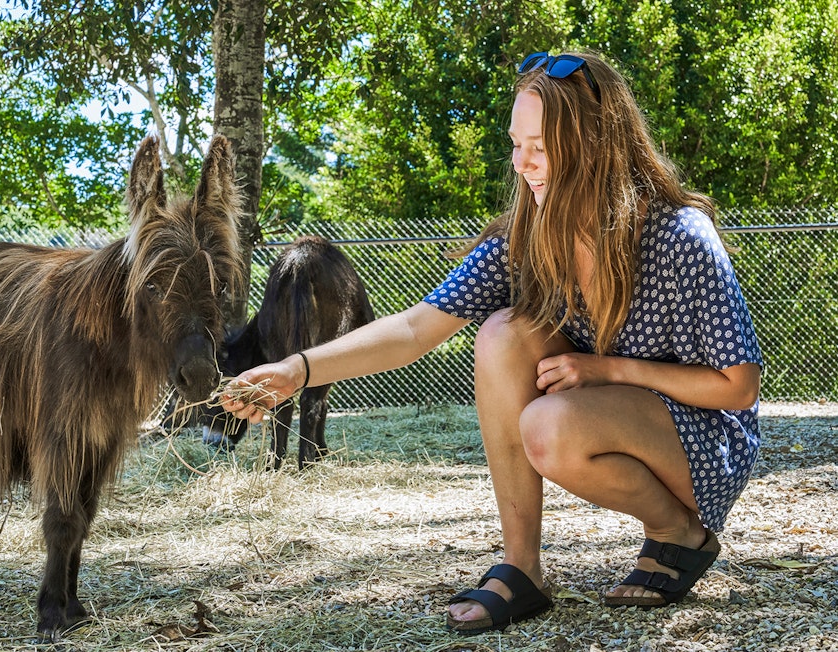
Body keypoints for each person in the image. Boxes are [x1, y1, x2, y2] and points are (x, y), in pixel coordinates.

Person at [220, 49, 762, 634]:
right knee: (504, 334)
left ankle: (677, 532)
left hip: (704, 439)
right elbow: (414, 328)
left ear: (597, 144)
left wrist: (608, 369)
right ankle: (522, 567)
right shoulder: (526, 237)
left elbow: (736, 388)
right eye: (516, 143)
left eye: (541, 147)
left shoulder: (680, 236)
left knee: (549, 425)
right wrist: (296, 370)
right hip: (602, 408)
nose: (523, 164)